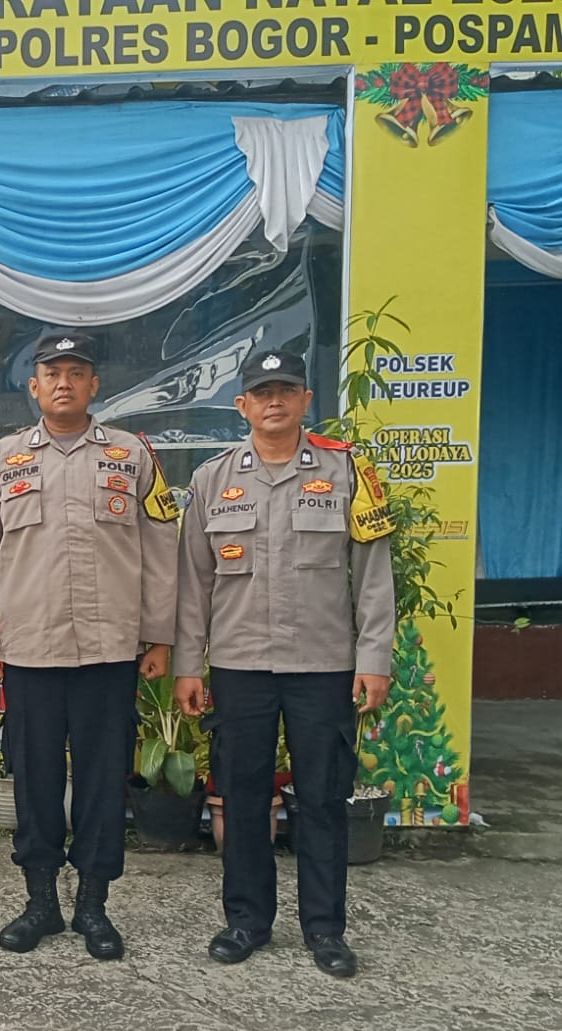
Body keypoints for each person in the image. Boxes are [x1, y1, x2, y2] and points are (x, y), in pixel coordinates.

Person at [174, 348, 395, 978]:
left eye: (286, 390)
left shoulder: (348, 473)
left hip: (322, 664)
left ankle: (325, 929)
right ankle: (246, 921)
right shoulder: (211, 480)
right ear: (241, 405)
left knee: (322, 799)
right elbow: (192, 583)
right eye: (262, 392)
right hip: (240, 664)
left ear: (306, 400)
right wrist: (188, 664)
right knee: (243, 798)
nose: (275, 401)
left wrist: (374, 658)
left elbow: (372, 575)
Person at [0, 331, 180, 961]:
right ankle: (41, 902)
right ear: (33, 386)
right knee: (34, 780)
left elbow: (161, 547)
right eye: (52, 372)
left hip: (109, 650)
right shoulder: (4, 459)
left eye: (76, 373)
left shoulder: (132, 454)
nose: (63, 383)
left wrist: (160, 636)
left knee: (101, 781)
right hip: (30, 650)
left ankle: (93, 904)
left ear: (94, 385)